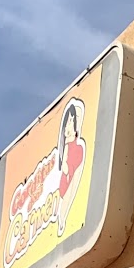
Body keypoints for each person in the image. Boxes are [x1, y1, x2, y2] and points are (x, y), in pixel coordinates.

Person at [56, 99, 86, 235]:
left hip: (68, 190)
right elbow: (64, 168)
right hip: (63, 190)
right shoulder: (66, 148)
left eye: (72, 121)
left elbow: (68, 171)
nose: (68, 126)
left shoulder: (78, 149)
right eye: (67, 122)